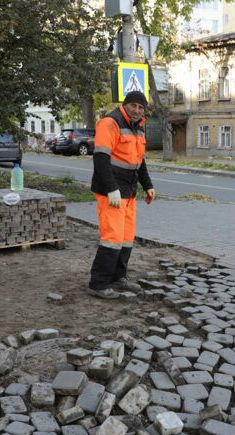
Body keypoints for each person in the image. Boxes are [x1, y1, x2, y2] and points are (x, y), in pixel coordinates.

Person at [87, 90, 156, 299]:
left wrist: (148, 184)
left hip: (129, 190)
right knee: (112, 238)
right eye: (133, 105)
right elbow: (100, 159)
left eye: (140, 107)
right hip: (112, 192)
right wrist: (111, 189)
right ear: (125, 105)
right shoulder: (110, 122)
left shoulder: (139, 127)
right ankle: (98, 284)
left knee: (126, 237)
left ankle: (118, 277)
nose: (136, 110)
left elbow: (139, 160)